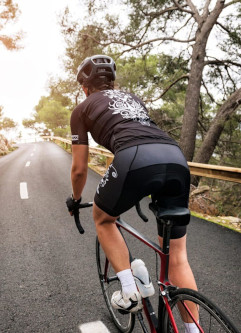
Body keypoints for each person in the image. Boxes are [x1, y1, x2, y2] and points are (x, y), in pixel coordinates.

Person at [66, 55, 198, 317]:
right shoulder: (135, 99)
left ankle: (129, 291)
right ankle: (194, 328)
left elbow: (80, 168)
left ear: (84, 87)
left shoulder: (81, 110)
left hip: (135, 159)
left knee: (103, 218)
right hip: (175, 158)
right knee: (177, 256)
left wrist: (75, 198)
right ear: (113, 83)